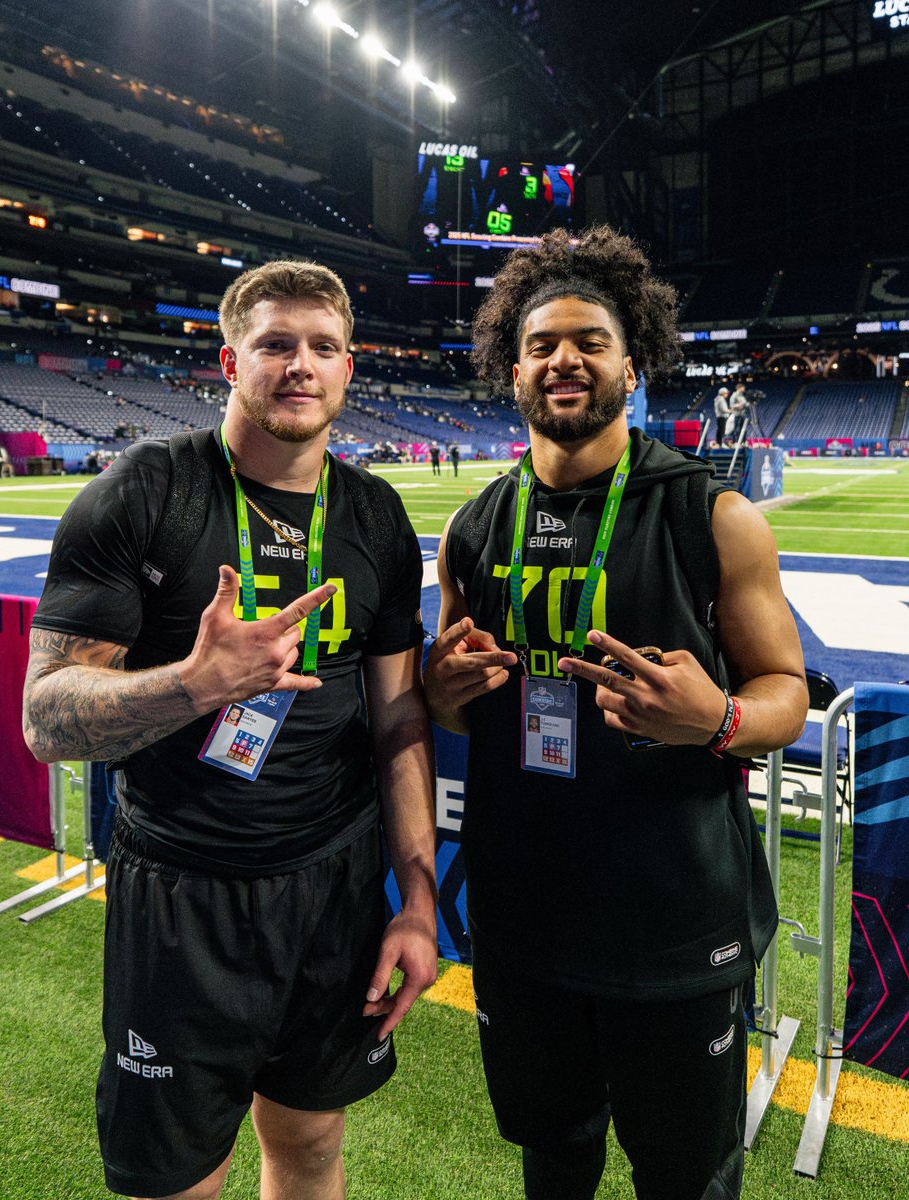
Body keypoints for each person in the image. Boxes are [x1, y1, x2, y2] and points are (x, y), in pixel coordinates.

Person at [23, 259, 438, 1200]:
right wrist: (194, 684)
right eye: (276, 344)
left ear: (348, 368)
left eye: (323, 347)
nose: (301, 365)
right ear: (229, 360)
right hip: (183, 894)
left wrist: (415, 897)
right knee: (175, 1184)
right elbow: (47, 717)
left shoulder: (374, 514)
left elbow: (400, 716)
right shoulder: (145, 493)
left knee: (312, 1145)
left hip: (332, 889)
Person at [424, 225, 807, 1200]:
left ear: (630, 366)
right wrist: (443, 696)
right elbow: (459, 709)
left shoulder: (712, 516)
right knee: (552, 1165)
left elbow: (786, 698)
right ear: (512, 371)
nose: (565, 359)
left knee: (685, 1180)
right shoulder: (472, 531)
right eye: (543, 344)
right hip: (524, 925)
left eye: (589, 341)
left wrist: (716, 717)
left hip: (674, 928)